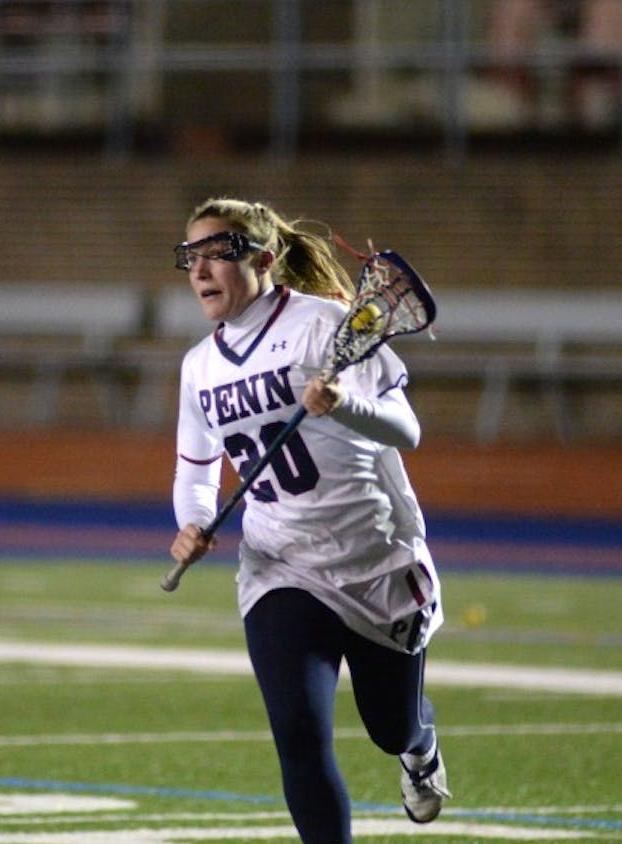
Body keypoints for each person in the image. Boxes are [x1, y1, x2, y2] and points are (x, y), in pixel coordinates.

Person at [166, 197, 449, 843]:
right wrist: (195, 521)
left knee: (389, 726)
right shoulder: (198, 366)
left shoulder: (329, 325)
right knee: (297, 733)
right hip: (279, 565)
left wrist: (345, 404)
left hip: (374, 557)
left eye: (219, 252)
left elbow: (407, 430)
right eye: (191, 256)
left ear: (264, 259)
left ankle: (419, 744)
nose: (202, 269)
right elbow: (196, 470)